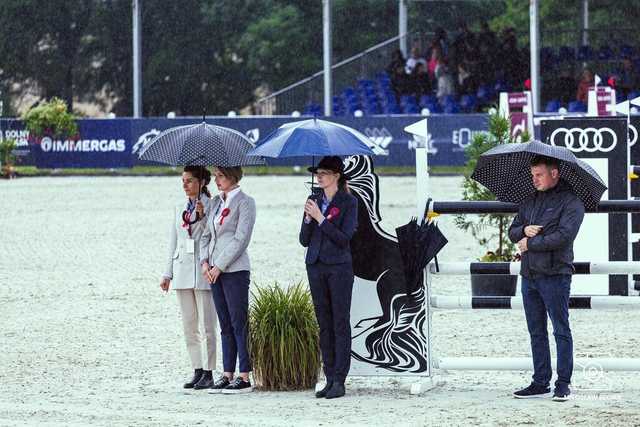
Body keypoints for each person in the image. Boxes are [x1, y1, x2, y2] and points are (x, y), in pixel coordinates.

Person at [508, 155, 585, 402]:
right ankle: (540, 382)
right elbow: (513, 230)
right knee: (536, 331)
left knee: (561, 330)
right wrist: (523, 231)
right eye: (533, 175)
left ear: (554, 173)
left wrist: (530, 243)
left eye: (539, 175)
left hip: (555, 274)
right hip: (529, 275)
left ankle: (563, 383)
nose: (534, 179)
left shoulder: (572, 202)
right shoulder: (528, 201)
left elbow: (564, 236)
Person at [300, 156, 358, 399]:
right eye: (318, 173)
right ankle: (329, 374)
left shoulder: (349, 202)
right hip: (316, 265)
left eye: (324, 173)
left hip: (339, 267)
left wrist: (321, 219)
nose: (319, 177)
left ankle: (339, 379)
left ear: (336, 176)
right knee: (324, 324)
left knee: (339, 322)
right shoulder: (313, 200)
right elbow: (304, 239)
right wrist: (307, 219)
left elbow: (344, 238)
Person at [199, 166, 256, 394]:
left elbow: (241, 239)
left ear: (232, 177)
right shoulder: (214, 203)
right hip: (213, 270)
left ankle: (244, 375)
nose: (216, 180)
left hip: (234, 270)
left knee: (238, 321)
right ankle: (227, 372)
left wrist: (219, 266)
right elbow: (205, 234)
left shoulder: (246, 202)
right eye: (216, 176)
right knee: (224, 324)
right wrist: (205, 262)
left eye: (220, 176)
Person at [160, 166, 218, 390]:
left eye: (190, 181)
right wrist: (167, 273)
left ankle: (209, 371)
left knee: (207, 325)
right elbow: (173, 241)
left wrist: (203, 217)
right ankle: (197, 369)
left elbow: (209, 235)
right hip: (182, 268)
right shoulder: (178, 207)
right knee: (189, 324)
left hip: (202, 269)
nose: (185, 185)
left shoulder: (212, 205)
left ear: (202, 182)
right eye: (183, 181)